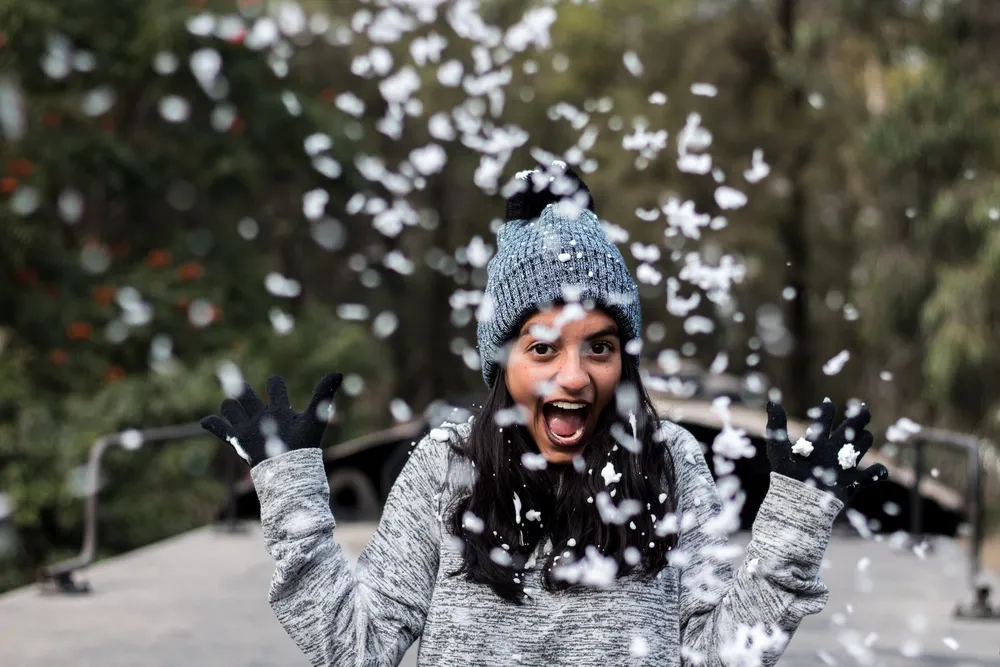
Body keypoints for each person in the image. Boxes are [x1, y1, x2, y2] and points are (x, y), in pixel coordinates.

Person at [201, 161, 889, 667]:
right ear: (503, 362)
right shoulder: (446, 466)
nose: (574, 374)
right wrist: (290, 494)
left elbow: (721, 656)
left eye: (601, 345)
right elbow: (356, 646)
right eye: (543, 346)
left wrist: (797, 526)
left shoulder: (672, 461)